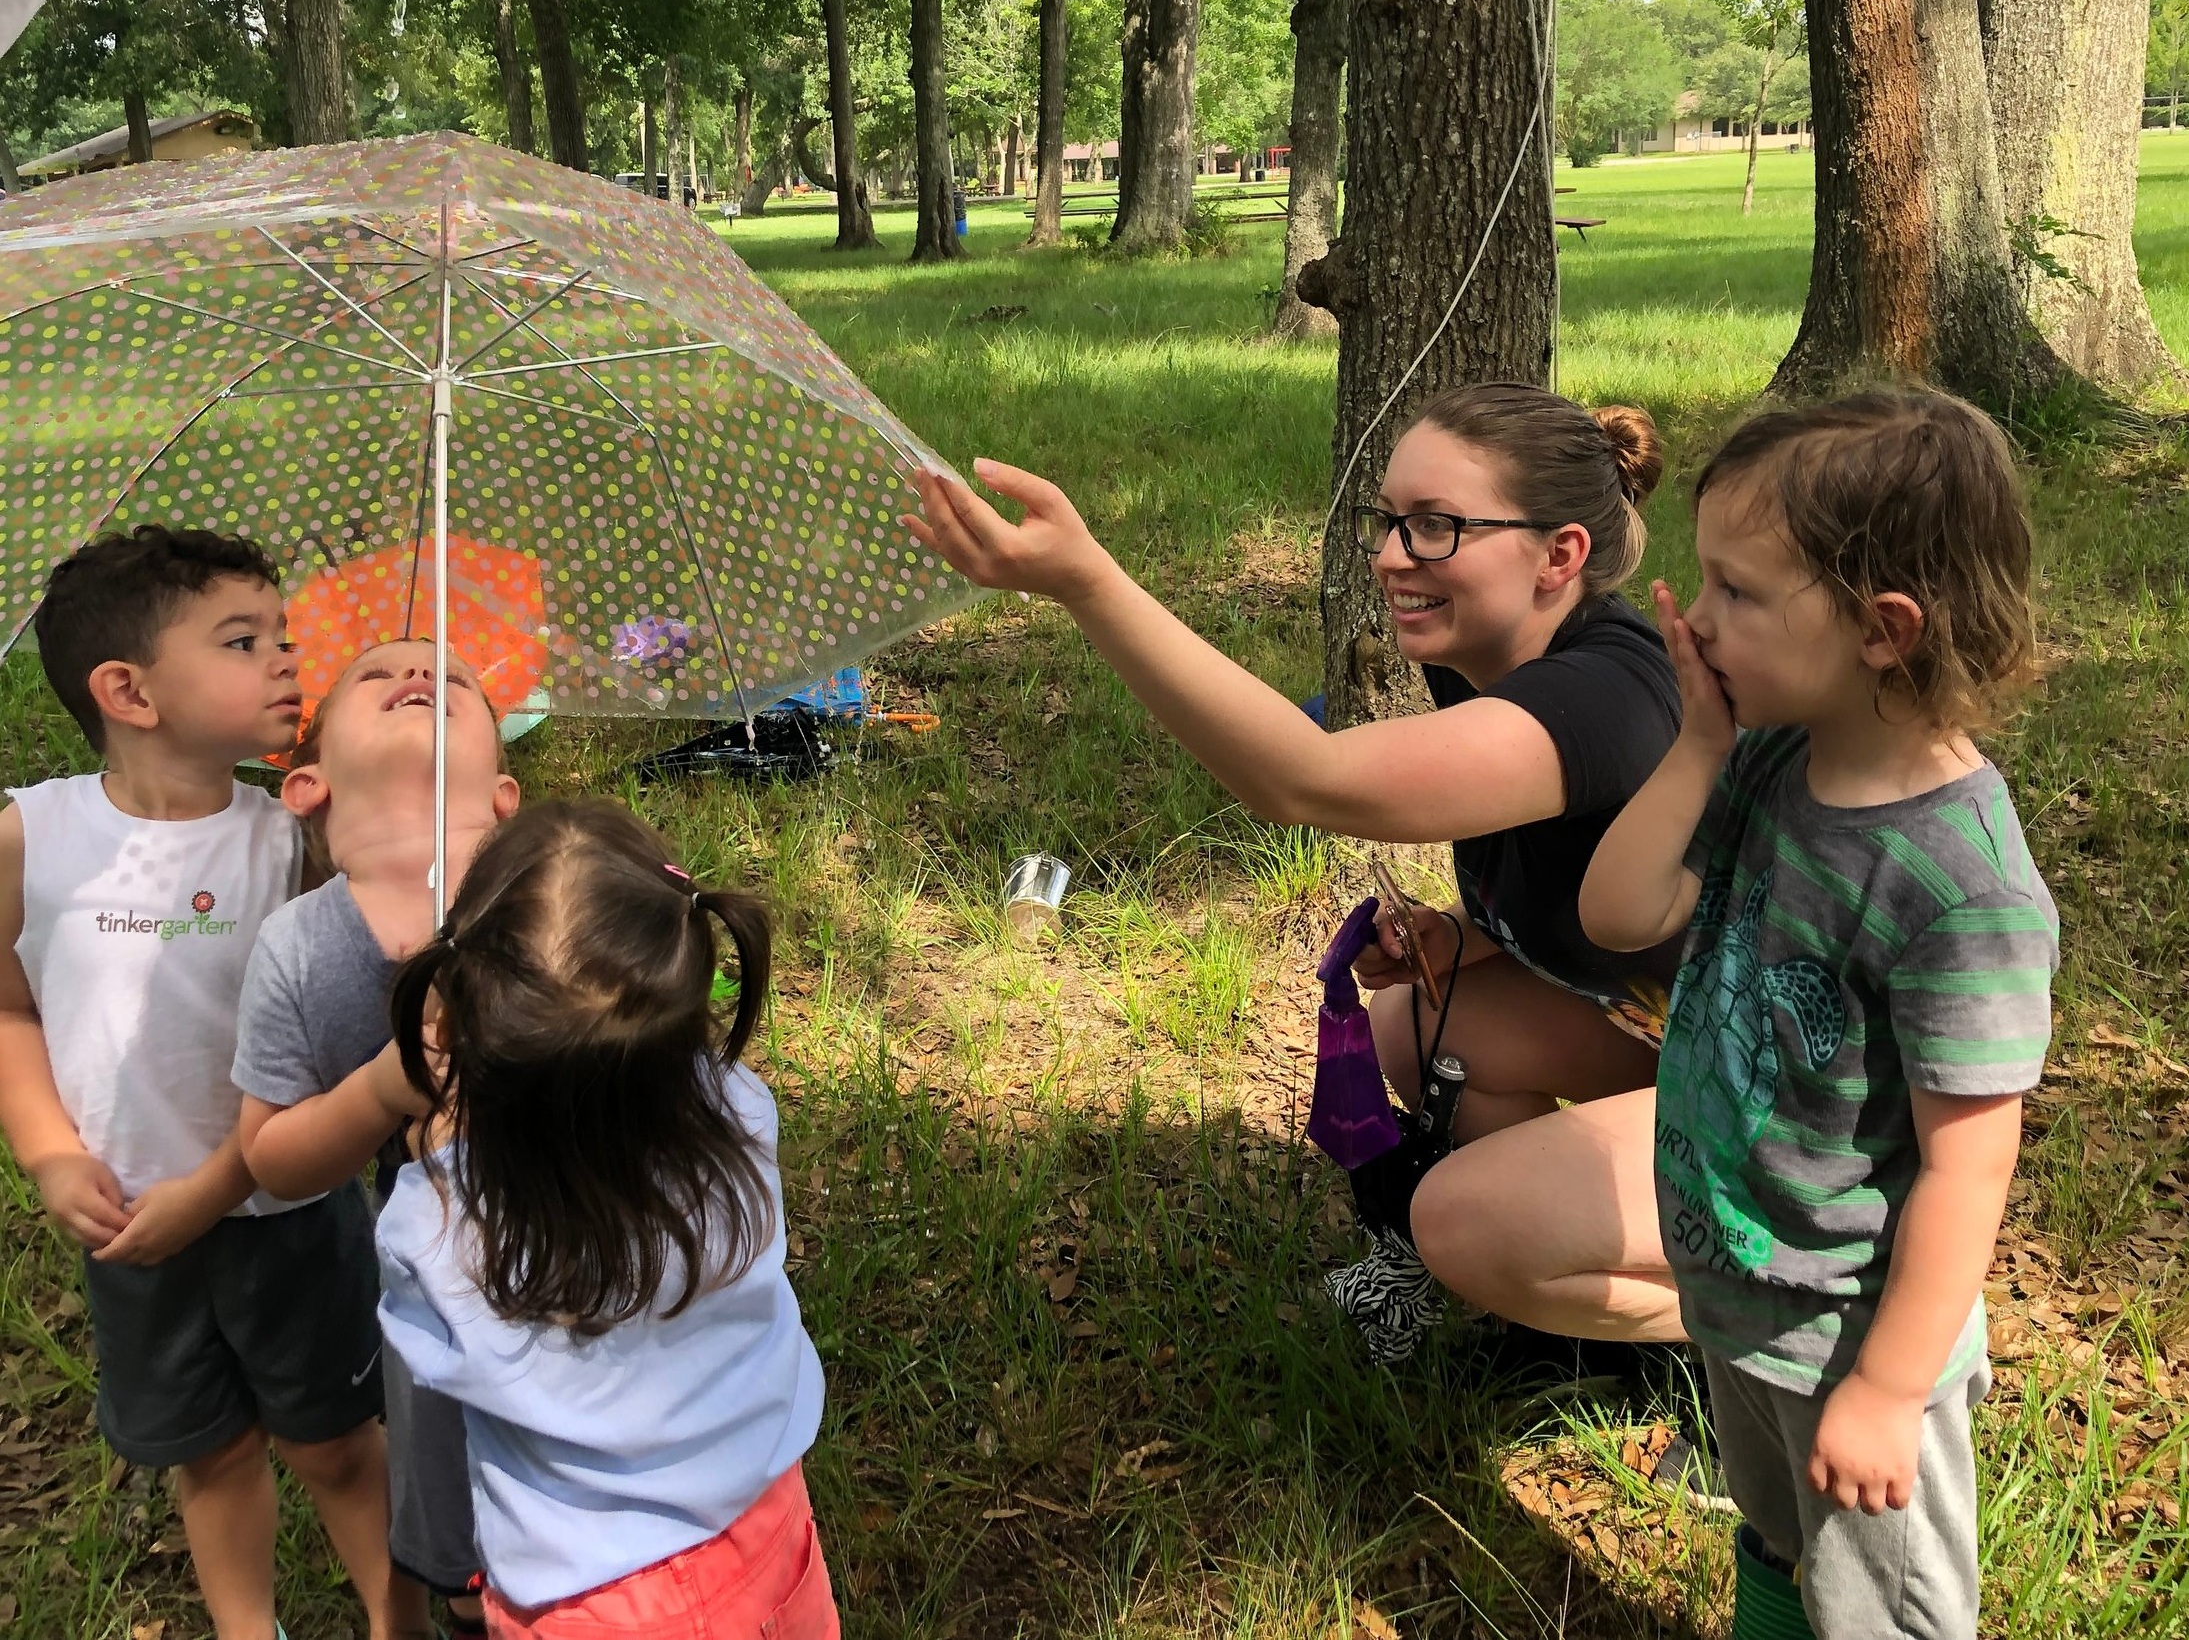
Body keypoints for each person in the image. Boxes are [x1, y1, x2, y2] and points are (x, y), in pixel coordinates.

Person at [908, 382, 1686, 1345]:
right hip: (1671, 1028)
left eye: (1436, 527)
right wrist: (1460, 939)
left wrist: (1086, 582)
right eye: (1390, 519)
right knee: (1412, 1023)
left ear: (1559, 555)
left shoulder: (1604, 697)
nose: (1391, 554)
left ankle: (1795, 1325)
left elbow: (1306, 780)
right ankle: (1563, 1285)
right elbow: (1595, 889)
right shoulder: (1488, 652)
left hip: (1801, 1100)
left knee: (1459, 1220)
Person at [1578, 390, 2055, 1639]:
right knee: (1780, 1544)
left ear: (1882, 630)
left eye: (1735, 591)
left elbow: (1968, 1165)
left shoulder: (1958, 884)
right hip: (1735, 1283)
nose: (1694, 614)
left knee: (1876, 1608)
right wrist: (1692, 745)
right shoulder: (1767, 756)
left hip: (1849, 1333)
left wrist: (1890, 1389)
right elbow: (1619, 916)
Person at [0, 526, 405, 1640]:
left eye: (283, 635)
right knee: (210, 1448)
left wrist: (218, 1185)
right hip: (133, 1225)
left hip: (289, 1207)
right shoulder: (30, 837)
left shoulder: (294, 843)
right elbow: (9, 1007)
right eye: (243, 640)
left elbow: (328, 1060)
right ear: (127, 690)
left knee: (334, 1438)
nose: (287, 659)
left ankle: (395, 1615)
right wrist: (47, 1150)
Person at [356, 800, 837, 1638]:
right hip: (765, 1525)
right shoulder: (743, 1116)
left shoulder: (434, 1220)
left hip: (592, 1599)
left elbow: (427, 1356)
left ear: (465, 1031)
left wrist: (445, 1146)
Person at [236, 638, 521, 1639]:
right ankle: (466, 1603)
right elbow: (271, 1156)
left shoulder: (551, 900)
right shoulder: (304, 950)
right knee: (454, 1495)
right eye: (375, 676)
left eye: (458, 679)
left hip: (585, 1245)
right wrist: (380, 1089)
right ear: (306, 786)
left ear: (504, 797)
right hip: (437, 1293)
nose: (424, 670)